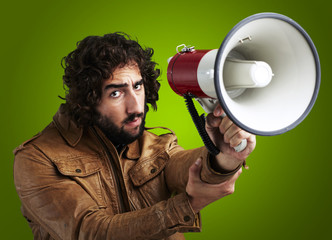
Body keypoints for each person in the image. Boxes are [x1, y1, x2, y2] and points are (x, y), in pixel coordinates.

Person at [13, 32, 256, 240]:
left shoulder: (154, 144)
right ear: (87, 100)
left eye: (137, 87)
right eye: (116, 93)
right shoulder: (37, 158)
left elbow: (189, 168)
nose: (136, 107)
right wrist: (188, 205)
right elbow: (90, 232)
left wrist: (223, 156)